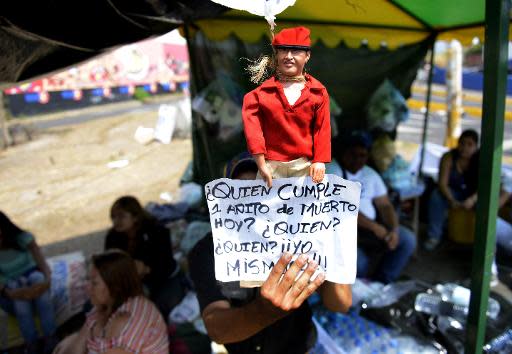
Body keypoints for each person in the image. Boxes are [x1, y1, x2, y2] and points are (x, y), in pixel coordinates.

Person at [188, 153, 352, 354]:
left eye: (264, 190)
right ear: (227, 201)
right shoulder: (207, 251)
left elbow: (340, 304)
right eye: (243, 191)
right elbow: (217, 329)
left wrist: (328, 242)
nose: (255, 204)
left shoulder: (299, 234)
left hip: (300, 346)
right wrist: (265, 311)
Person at [242, 26, 331, 188]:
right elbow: (254, 134)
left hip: (305, 167)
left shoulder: (318, 92)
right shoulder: (259, 96)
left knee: (307, 211)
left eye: (296, 51)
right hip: (271, 167)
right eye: (283, 51)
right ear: (276, 55)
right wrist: (261, 165)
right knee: (267, 211)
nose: (289, 56)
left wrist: (319, 161)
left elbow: (322, 129)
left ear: (307, 56)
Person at [332, 131, 416, 284]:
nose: (358, 159)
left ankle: (380, 283)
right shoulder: (332, 169)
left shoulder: (370, 174)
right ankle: (353, 295)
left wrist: (394, 230)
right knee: (359, 263)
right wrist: (376, 228)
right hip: (340, 232)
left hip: (370, 229)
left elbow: (384, 205)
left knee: (407, 240)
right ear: (343, 153)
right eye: (353, 154)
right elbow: (343, 208)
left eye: (362, 155)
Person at [53, 250, 169, 354]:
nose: (86, 287)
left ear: (114, 286)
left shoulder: (127, 320)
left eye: (94, 283)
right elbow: (76, 348)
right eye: (88, 279)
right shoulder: (105, 306)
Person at [105, 196, 185, 317]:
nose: (116, 221)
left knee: (160, 309)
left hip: (165, 278)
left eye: (121, 216)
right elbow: (109, 264)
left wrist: (146, 270)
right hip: (131, 281)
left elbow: (164, 264)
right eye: (113, 217)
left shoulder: (157, 232)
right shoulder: (113, 237)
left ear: (135, 217)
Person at [0, 211, 58, 354]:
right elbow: (4, 289)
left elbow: (43, 266)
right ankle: (32, 344)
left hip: (33, 279)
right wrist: (18, 293)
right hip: (10, 290)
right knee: (21, 306)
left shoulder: (22, 239)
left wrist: (45, 282)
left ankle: (51, 340)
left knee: (41, 290)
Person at [424, 129, 480, 250]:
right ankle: (434, 235)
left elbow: (484, 188)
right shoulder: (449, 157)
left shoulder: (481, 160)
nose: (465, 147)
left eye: (470, 144)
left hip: (473, 196)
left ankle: (478, 241)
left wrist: (472, 199)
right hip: (452, 193)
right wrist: (451, 199)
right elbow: (442, 183)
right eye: (462, 143)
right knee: (436, 196)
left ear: (476, 147)